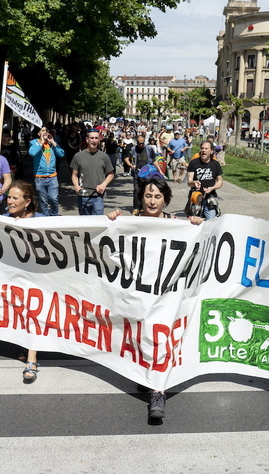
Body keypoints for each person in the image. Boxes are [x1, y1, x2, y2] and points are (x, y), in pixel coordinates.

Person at [106, 176, 203, 418]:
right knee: (142, 337)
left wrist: (196, 224)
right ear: (141, 198)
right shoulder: (132, 222)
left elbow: (198, 240)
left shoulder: (175, 223)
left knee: (161, 338)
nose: (152, 201)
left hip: (167, 296)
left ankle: (158, 393)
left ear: (166, 199)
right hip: (139, 294)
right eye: (148, 196)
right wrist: (113, 220)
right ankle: (145, 374)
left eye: (157, 196)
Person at [2, 180, 44, 382]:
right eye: (9, 197)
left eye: (14, 198)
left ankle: (32, 358)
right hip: (12, 279)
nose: (9, 201)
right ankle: (24, 345)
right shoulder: (0, 220)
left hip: (38, 279)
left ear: (27, 202)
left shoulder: (44, 220)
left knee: (32, 313)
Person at [70, 129, 115, 215]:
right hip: (83, 195)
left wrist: (104, 184)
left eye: (96, 138)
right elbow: (74, 175)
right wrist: (76, 186)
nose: (94, 141)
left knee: (98, 223)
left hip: (98, 196)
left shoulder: (104, 156)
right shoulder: (78, 156)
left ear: (99, 140)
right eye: (92, 138)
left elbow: (111, 174)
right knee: (86, 224)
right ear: (87, 139)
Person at [29, 126, 65, 216]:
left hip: (52, 176)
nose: (45, 132)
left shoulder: (51, 144)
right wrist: (41, 143)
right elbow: (32, 153)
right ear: (38, 133)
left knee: (54, 198)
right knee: (43, 201)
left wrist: (53, 141)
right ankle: (45, 217)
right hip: (40, 177)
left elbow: (61, 154)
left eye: (47, 131)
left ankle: (54, 215)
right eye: (43, 131)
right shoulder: (34, 143)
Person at [187, 141, 223, 220]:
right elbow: (189, 182)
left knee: (211, 221)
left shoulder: (215, 164)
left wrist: (212, 188)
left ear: (211, 151)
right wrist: (194, 182)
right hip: (196, 196)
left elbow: (220, 181)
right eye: (202, 148)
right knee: (194, 223)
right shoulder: (194, 163)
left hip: (210, 197)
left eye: (206, 149)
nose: (203, 150)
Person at [123, 135, 155, 214]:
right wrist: (131, 165)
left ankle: (142, 207)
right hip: (137, 172)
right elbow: (126, 158)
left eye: (142, 143)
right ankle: (136, 207)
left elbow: (154, 160)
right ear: (137, 142)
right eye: (139, 143)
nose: (141, 145)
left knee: (145, 190)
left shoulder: (149, 149)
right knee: (137, 190)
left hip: (147, 173)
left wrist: (159, 171)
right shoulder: (133, 149)